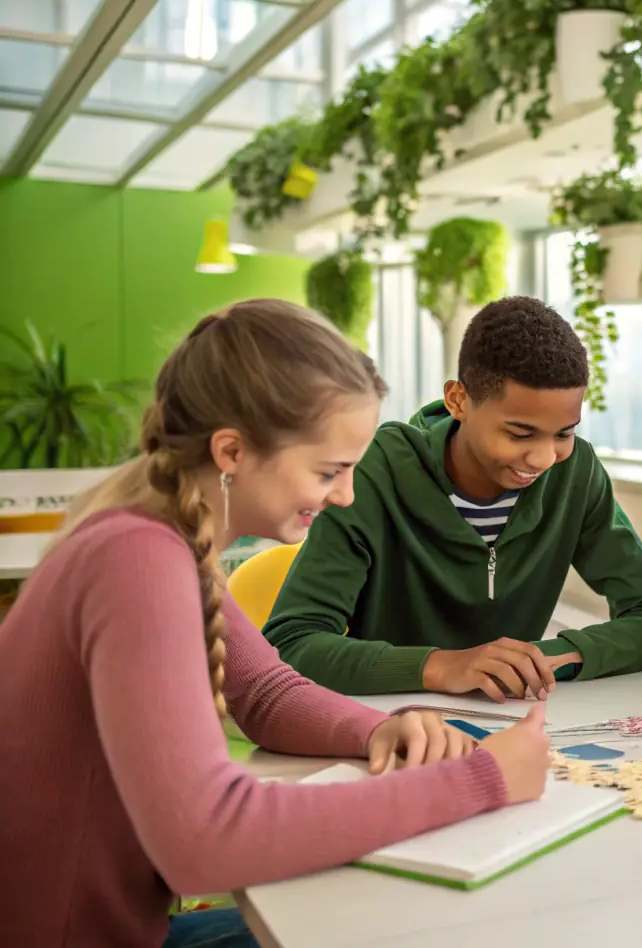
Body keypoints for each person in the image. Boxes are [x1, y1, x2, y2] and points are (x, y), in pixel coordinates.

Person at [0, 299, 552, 948]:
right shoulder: (137, 559)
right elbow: (206, 840)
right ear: (231, 450)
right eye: (329, 471)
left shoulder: (161, 533)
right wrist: (478, 780)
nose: (345, 495)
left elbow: (265, 693)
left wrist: (385, 729)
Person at [264, 295, 642, 698]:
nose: (544, 457)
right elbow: (291, 642)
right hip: (390, 722)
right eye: (519, 433)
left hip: (512, 720)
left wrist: (543, 658)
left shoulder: (575, 473)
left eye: (564, 433)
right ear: (458, 400)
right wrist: (442, 667)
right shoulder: (372, 473)